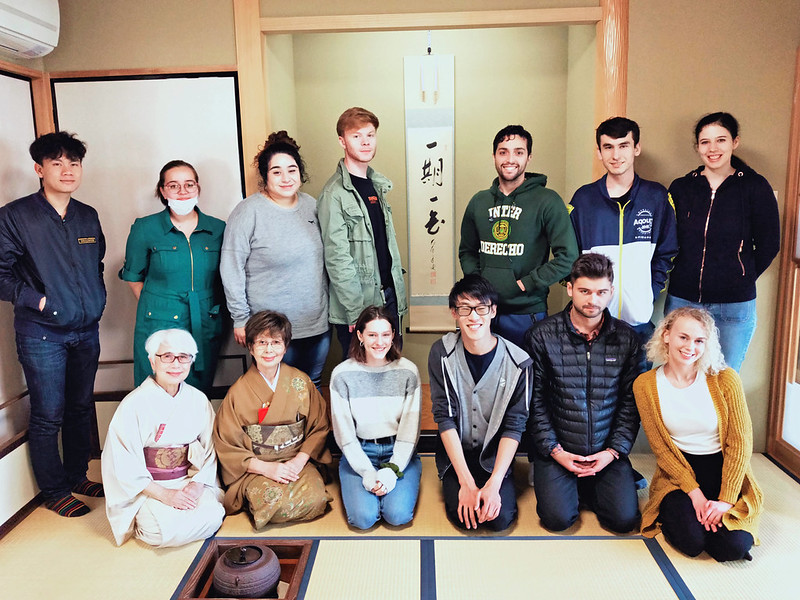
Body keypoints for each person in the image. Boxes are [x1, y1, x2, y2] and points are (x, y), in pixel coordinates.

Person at [0, 132, 106, 517]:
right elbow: (1, 275)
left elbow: (96, 265)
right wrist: (40, 300)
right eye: (57, 163)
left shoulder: (87, 215)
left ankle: (77, 474)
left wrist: (97, 301)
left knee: (80, 406)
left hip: (86, 329)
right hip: (41, 332)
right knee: (48, 412)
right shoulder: (16, 216)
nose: (67, 170)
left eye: (74, 163)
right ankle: (54, 490)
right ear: (39, 168)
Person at [524, 253, 642, 533]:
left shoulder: (626, 339)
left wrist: (613, 452)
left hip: (605, 449)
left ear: (611, 292)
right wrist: (555, 451)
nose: (593, 300)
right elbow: (534, 402)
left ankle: (593, 485)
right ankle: (575, 485)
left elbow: (630, 404)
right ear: (570, 289)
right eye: (585, 291)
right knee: (557, 520)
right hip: (559, 450)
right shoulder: (541, 336)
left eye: (601, 292)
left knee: (624, 521)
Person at [633, 307, 763, 561]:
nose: (690, 346)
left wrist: (725, 501)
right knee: (692, 543)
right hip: (679, 475)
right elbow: (661, 449)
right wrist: (696, 495)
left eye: (699, 340)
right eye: (683, 337)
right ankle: (682, 514)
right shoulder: (645, 385)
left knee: (733, 547)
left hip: (723, 471)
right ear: (667, 335)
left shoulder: (725, 379)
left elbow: (740, 444)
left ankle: (716, 518)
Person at [665, 112, 780, 372]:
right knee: (680, 375)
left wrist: (740, 277)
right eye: (705, 142)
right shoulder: (682, 188)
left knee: (723, 379)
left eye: (721, 140)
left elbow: (769, 243)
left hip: (734, 305)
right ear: (697, 147)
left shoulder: (754, 187)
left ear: (734, 142)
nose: (713, 149)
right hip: (683, 299)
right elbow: (667, 240)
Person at [221, 132, 330, 386]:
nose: (286, 178)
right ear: (265, 176)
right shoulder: (248, 211)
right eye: (276, 172)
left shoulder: (312, 205)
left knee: (311, 387)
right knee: (275, 392)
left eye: (292, 170)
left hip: (315, 322)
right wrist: (240, 317)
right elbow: (231, 267)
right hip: (270, 328)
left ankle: (310, 429)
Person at [102, 329, 225, 547]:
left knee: (214, 515)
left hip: (187, 482)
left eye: (183, 357)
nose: (175, 364)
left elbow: (210, 450)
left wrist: (197, 485)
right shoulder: (133, 405)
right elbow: (122, 461)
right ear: (152, 361)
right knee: (160, 531)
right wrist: (165, 495)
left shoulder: (198, 400)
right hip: (150, 488)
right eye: (167, 357)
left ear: (191, 362)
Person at [459, 124, 578, 349]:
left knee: (526, 379)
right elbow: (467, 251)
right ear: (494, 156)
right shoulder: (479, 201)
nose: (510, 159)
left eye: (518, 152)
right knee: (486, 378)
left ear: (529, 157)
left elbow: (568, 257)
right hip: (483, 312)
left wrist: (525, 284)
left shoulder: (547, 201)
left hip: (527, 313)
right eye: (503, 151)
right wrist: (480, 283)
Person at [428, 275, 531, 531]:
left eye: (481, 308)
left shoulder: (519, 362)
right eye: (465, 308)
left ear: (493, 311)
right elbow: (444, 418)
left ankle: (497, 483)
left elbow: (514, 426)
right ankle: (463, 481)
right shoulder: (441, 352)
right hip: (457, 457)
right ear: (454, 313)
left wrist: (494, 484)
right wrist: (466, 483)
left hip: (495, 458)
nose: (474, 316)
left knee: (499, 520)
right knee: (464, 518)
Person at [213, 310, 332, 529]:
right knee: (274, 505)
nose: (269, 350)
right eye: (262, 342)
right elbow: (227, 444)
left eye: (276, 342)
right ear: (250, 347)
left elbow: (319, 427)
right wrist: (267, 469)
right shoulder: (238, 392)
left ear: (285, 346)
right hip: (257, 467)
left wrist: (297, 462)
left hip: (297, 461)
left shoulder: (300, 381)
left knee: (316, 501)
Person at [569, 116, 677, 347]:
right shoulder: (583, 199)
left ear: (636, 148)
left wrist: (650, 290)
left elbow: (668, 252)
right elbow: (567, 256)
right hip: (592, 323)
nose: (616, 155)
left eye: (623, 146)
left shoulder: (656, 197)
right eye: (608, 147)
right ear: (599, 152)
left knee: (637, 383)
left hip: (638, 323)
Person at [120, 160, 225, 393]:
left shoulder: (218, 229)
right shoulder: (145, 228)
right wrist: (159, 304)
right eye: (174, 185)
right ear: (162, 190)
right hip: (158, 320)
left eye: (189, 185)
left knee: (197, 391)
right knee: (156, 390)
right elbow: (133, 277)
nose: (183, 191)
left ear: (198, 188)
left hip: (204, 320)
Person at [318, 107, 407, 358]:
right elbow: (337, 259)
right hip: (359, 305)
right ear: (342, 141)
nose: (366, 142)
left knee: (392, 368)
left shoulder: (377, 185)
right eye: (357, 136)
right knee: (362, 376)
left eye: (370, 135)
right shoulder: (333, 194)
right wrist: (356, 313)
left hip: (388, 295)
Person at [330, 306, 422, 530]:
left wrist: (391, 470)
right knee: (363, 519)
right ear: (360, 336)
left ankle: (390, 488)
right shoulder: (342, 374)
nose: (379, 342)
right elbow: (344, 434)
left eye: (385, 334)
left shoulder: (408, 371)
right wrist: (367, 472)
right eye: (372, 335)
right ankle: (370, 491)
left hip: (398, 450)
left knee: (397, 515)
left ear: (393, 335)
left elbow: (410, 431)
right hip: (360, 451)